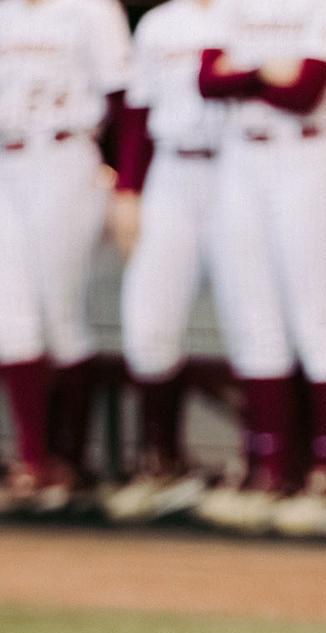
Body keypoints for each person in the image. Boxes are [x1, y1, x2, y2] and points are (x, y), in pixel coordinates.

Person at [191, 0, 326, 536]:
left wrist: (245, 72)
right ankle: (273, 472)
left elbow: (304, 91)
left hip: (309, 157)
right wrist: (269, 69)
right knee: (255, 322)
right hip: (242, 159)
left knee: (318, 321)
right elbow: (206, 82)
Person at [0, 0, 131, 512]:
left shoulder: (94, 9)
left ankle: (69, 459)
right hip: (7, 159)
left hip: (66, 154)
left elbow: (125, 97)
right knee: (11, 313)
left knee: (60, 312)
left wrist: (123, 178)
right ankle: (35, 459)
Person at [101, 0, 226, 524]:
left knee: (257, 326)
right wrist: (129, 188)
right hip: (172, 171)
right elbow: (138, 112)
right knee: (147, 322)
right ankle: (163, 464)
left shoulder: (252, 14)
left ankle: (274, 469)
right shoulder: (159, 22)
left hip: (238, 168)